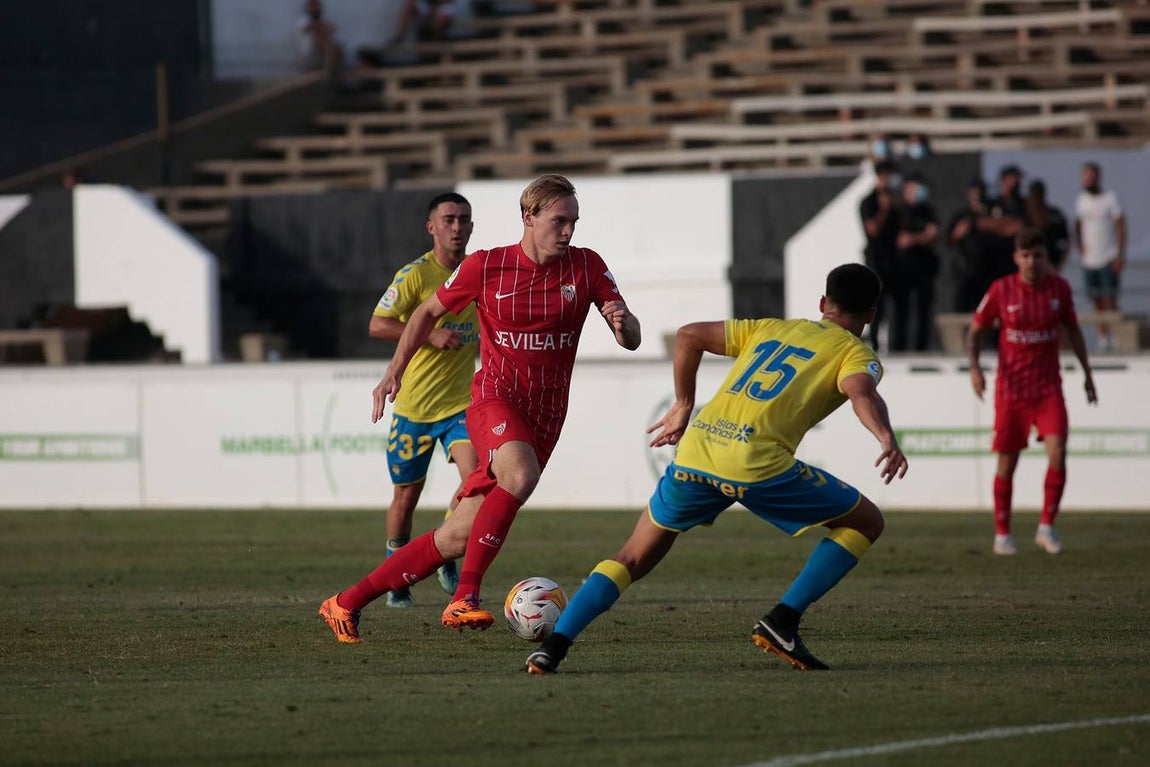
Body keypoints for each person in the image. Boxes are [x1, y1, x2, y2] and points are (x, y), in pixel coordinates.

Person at [525, 263, 909, 674]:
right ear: (871, 314)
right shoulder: (855, 353)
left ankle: (554, 647)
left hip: (697, 451)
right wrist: (885, 436)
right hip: (755, 463)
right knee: (866, 522)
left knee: (631, 557)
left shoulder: (772, 328)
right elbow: (862, 393)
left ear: (822, 303)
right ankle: (783, 621)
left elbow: (689, 335)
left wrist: (683, 404)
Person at [319, 174, 642, 643]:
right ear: (528, 217)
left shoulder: (588, 267)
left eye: (574, 221)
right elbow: (427, 312)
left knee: (457, 535)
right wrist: (394, 371)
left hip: (546, 416)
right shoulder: (487, 266)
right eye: (559, 221)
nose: (569, 231)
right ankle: (464, 597)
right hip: (495, 398)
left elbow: (630, 339)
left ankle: (344, 603)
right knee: (520, 476)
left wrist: (624, 323)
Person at [368, 192, 479, 608]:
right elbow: (378, 323)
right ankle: (397, 577)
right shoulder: (415, 275)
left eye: (464, 220)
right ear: (431, 227)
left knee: (476, 482)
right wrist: (430, 334)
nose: (457, 227)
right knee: (405, 498)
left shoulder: (478, 271)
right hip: (414, 408)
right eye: (448, 219)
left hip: (461, 406)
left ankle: (447, 549)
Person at [967, 227, 1097, 557]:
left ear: (1046, 258)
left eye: (1038, 256)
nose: (1032, 262)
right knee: (1007, 463)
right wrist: (975, 367)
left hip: (1048, 388)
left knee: (1057, 450)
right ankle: (1002, 534)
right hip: (1011, 390)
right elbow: (976, 331)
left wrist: (1087, 375)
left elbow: (1074, 331)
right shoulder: (1001, 289)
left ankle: (1046, 527)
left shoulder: (1060, 289)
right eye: (1025, 256)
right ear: (1016, 258)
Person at [1074, 162, 1126, 352]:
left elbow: (1120, 224)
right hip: (1090, 259)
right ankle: (1102, 337)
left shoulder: (1110, 198)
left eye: (1091, 175)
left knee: (1110, 298)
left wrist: (1119, 254)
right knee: (1096, 299)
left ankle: (1117, 336)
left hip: (1108, 256)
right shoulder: (1081, 200)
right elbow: (1077, 224)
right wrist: (1080, 247)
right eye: (1085, 176)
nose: (1088, 179)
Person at [859, 159, 901, 351]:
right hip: (877, 259)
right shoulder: (869, 202)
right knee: (877, 303)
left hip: (895, 259)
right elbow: (872, 230)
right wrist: (884, 209)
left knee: (899, 303)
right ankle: (874, 342)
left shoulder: (897, 201)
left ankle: (898, 343)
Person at [894, 173, 940, 351]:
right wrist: (923, 236)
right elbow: (901, 241)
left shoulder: (928, 211)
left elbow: (934, 235)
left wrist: (915, 238)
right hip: (902, 269)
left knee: (924, 310)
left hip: (924, 268)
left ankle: (922, 347)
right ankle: (899, 347)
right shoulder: (900, 211)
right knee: (901, 310)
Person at [947, 178, 993, 312]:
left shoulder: (991, 214)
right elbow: (948, 241)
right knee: (962, 309)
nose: (977, 196)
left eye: (980, 192)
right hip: (964, 270)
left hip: (986, 270)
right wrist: (959, 233)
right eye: (974, 192)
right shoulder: (961, 215)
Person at [977, 164, 1028, 283]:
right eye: (1013, 178)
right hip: (992, 260)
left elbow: (1018, 226)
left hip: (1013, 260)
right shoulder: (993, 203)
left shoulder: (1023, 204)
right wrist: (1001, 224)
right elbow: (981, 224)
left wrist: (997, 225)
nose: (1017, 182)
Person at [1025, 179, 1070, 272]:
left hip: (1052, 268)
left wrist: (1057, 267)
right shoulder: (1023, 215)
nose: (1037, 198)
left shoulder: (1056, 215)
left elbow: (1066, 242)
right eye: (1034, 194)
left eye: (1039, 194)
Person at [296, 0, 346, 75]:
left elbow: (331, 29)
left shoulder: (322, 21)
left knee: (337, 47)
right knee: (326, 45)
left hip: (320, 55)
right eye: (313, 7)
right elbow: (310, 30)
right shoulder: (302, 21)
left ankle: (334, 70)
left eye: (317, 6)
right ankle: (330, 71)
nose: (316, 9)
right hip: (309, 57)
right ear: (308, 8)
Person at [389, 0, 459, 46]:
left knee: (441, 18)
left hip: (443, 7)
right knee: (409, 5)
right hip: (429, 8)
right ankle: (399, 38)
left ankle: (440, 42)